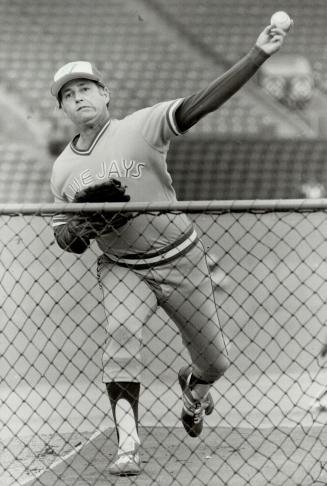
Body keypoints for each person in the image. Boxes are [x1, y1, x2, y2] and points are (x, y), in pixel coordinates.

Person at [49, 23, 290, 476]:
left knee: (215, 361)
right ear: (62, 108)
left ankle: (194, 391)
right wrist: (79, 232)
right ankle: (129, 445)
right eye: (67, 94)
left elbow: (202, 102)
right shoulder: (62, 169)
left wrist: (257, 55)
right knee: (120, 338)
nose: (78, 97)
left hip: (182, 258)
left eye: (85, 88)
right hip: (123, 268)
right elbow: (64, 235)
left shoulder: (144, 125)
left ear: (104, 95)